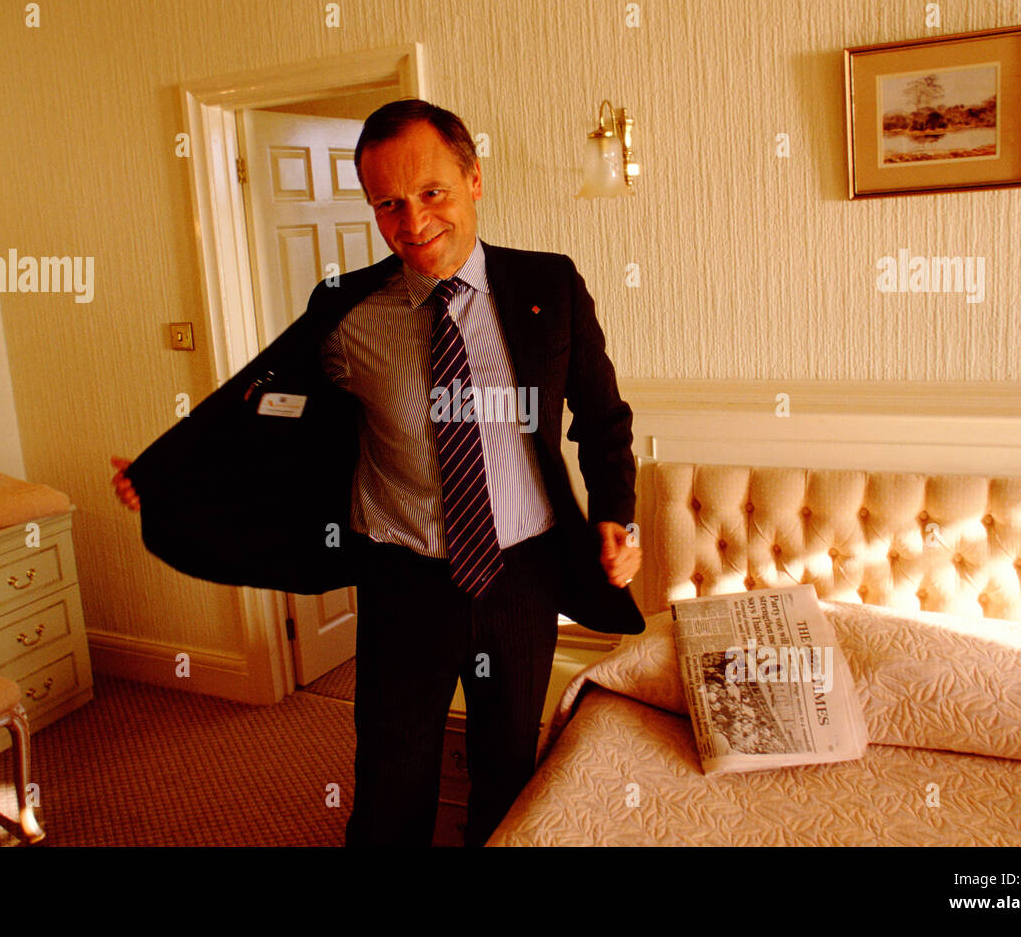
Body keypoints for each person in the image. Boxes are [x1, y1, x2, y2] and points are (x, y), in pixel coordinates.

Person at [112, 99, 642, 846]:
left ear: (475, 180)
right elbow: (262, 401)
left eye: (432, 193)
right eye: (388, 204)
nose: (413, 221)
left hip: (522, 580)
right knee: (391, 785)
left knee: (507, 777)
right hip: (402, 583)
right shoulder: (346, 310)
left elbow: (603, 417)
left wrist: (618, 515)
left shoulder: (548, 287)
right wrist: (169, 470)